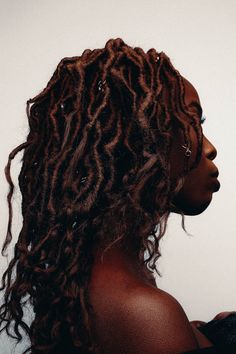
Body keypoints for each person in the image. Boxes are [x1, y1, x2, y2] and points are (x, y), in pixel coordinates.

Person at [0, 38, 229, 354]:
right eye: (191, 120)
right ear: (140, 142)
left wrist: (210, 332)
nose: (209, 148)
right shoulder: (143, 312)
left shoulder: (93, 287)